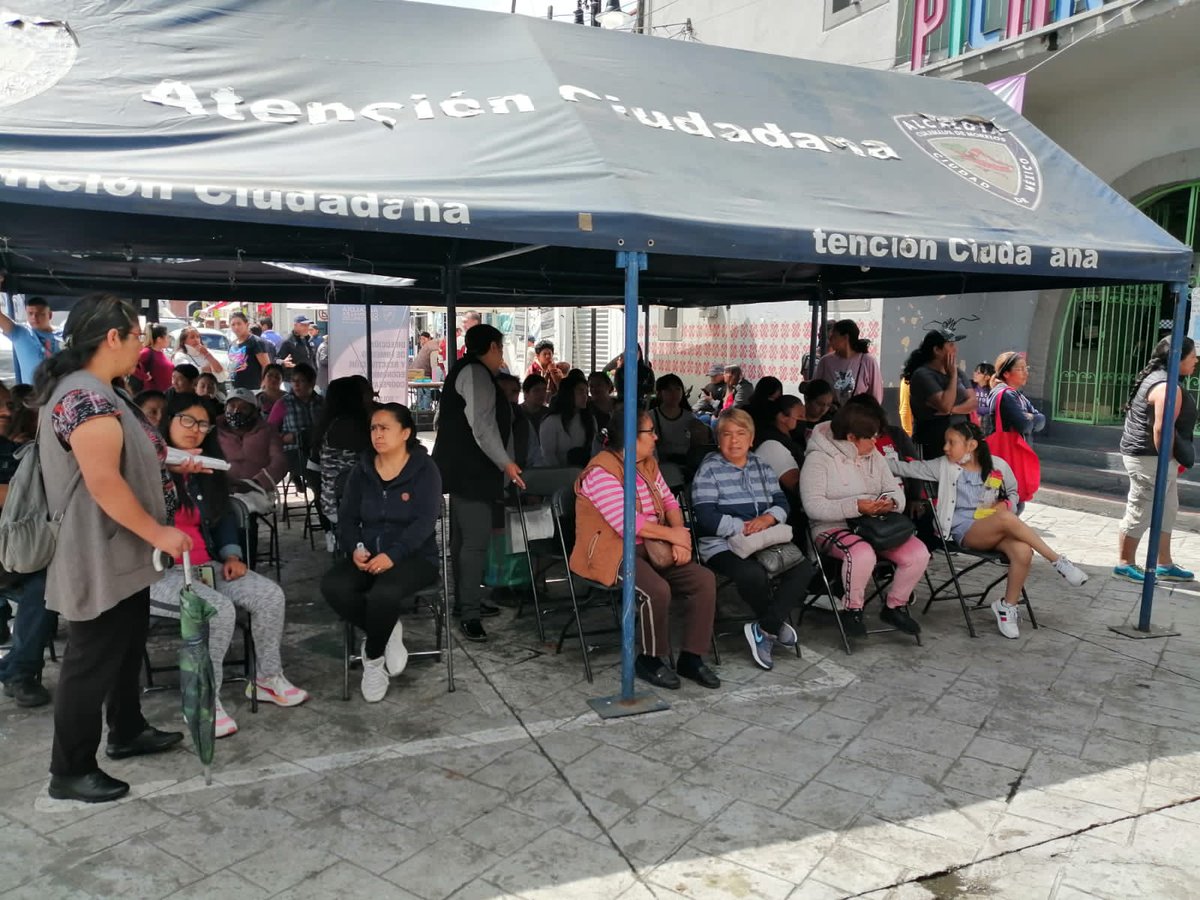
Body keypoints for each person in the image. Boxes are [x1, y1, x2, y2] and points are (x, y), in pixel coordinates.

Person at [34, 293, 188, 803]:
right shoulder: (85, 397)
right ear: (112, 338)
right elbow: (103, 482)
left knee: (125, 646)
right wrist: (160, 533)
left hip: (122, 551)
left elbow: (129, 456)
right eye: (137, 335)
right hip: (98, 549)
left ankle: (127, 730)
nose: (142, 345)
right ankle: (71, 769)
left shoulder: (107, 390)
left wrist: (170, 461)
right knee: (91, 658)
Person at [152, 393, 308, 736]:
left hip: (207, 566)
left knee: (270, 596)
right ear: (169, 421)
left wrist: (233, 555)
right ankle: (203, 700)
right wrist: (165, 469)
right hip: (159, 573)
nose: (195, 430)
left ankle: (266, 678)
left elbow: (222, 517)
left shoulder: (209, 467)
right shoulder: (148, 468)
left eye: (204, 424)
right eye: (187, 421)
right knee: (218, 611)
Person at [889, 421, 1088, 638]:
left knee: (1022, 551)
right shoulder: (943, 466)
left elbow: (1013, 493)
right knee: (1004, 519)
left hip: (995, 526)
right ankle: (1057, 561)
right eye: (945, 442)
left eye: (951, 442)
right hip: (963, 529)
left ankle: (1007, 607)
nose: (945, 447)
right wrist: (871, 457)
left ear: (971, 445)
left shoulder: (997, 466)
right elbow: (905, 468)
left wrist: (1006, 504)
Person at [574, 408, 719, 690]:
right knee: (656, 590)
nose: (656, 437)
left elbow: (669, 502)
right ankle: (650, 659)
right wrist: (676, 536)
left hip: (656, 546)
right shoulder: (601, 471)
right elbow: (628, 523)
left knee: (704, 580)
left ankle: (692, 657)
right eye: (650, 432)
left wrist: (679, 536)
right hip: (612, 552)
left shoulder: (647, 464)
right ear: (630, 437)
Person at [322, 404, 443, 701]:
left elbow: (426, 521)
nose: (377, 434)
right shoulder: (361, 471)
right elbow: (347, 518)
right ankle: (386, 629)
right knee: (333, 586)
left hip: (415, 557)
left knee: (383, 595)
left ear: (405, 433)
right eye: (374, 428)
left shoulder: (425, 470)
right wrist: (356, 548)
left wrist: (395, 554)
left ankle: (374, 660)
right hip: (369, 554)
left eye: (385, 428)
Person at [691, 409, 812, 671]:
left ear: (751, 437)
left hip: (764, 537)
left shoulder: (761, 466)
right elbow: (705, 516)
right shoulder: (709, 469)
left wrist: (767, 520)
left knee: (803, 568)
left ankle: (765, 628)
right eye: (726, 434)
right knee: (752, 574)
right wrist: (741, 528)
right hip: (722, 543)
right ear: (717, 438)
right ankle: (775, 624)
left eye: (740, 434)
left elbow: (781, 502)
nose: (734, 441)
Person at [800, 404, 930, 637]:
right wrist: (855, 506)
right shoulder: (818, 459)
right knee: (861, 554)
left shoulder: (873, 455)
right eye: (870, 438)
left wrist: (891, 503)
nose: (875, 443)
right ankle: (853, 609)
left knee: (918, 553)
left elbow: (894, 489)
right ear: (851, 438)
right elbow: (813, 507)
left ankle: (895, 606)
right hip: (831, 526)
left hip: (876, 526)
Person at [433, 323, 524, 643]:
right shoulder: (475, 374)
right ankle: (469, 612)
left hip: (463, 471)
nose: (502, 353)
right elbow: (483, 426)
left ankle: (464, 603)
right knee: (473, 543)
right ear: (492, 347)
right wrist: (507, 463)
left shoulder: (467, 371)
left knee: (461, 541)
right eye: (500, 347)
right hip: (473, 472)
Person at [1114, 336, 1197, 583]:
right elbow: (1162, 429)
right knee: (1141, 509)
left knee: (1168, 510)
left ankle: (1164, 562)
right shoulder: (1165, 387)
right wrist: (1167, 460)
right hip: (1150, 458)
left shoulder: (1164, 380)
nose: (1196, 361)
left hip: (1156, 456)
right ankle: (1124, 563)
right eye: (1192, 356)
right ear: (1177, 359)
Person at [0, 381, 54, 707]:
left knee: (48, 585)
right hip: (10, 549)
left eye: (10, 405)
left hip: (21, 546)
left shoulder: (16, 446)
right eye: (2, 406)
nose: (8, 411)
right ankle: (19, 670)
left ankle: (18, 669)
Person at [311, 376, 373, 540]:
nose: (372, 396)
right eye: (366, 392)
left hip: (341, 498)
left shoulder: (334, 423)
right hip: (344, 502)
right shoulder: (346, 427)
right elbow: (378, 454)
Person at [903, 329, 976, 460]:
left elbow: (973, 402)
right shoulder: (923, 375)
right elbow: (944, 405)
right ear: (937, 350)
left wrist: (953, 410)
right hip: (934, 441)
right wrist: (952, 376)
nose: (955, 349)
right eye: (951, 345)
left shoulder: (958, 371)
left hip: (960, 439)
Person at [217, 388, 286, 493]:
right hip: (222, 491)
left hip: (258, 491)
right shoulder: (214, 430)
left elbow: (279, 462)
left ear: (254, 411)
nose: (236, 411)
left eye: (244, 407)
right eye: (232, 406)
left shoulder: (268, 430)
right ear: (225, 408)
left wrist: (257, 483)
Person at [269, 363, 324, 484]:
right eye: (294, 381)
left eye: (301, 381)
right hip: (294, 452)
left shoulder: (322, 403)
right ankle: (320, 498)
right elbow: (269, 433)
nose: (296, 385)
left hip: (320, 450)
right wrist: (284, 438)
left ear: (312, 382)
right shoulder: (283, 403)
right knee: (315, 473)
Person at [814, 320, 883, 406]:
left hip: (858, 416)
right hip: (833, 417)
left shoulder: (867, 361)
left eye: (834, 336)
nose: (830, 340)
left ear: (845, 337)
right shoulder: (825, 362)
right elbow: (816, 392)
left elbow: (876, 397)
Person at [539, 370, 597, 467]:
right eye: (580, 391)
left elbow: (594, 450)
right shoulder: (551, 422)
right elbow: (548, 455)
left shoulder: (590, 420)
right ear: (568, 393)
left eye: (586, 392)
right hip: (557, 474)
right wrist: (564, 475)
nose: (585, 396)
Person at [0, 295, 63, 384]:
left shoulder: (63, 335)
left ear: (50, 315)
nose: (34, 317)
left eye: (40, 314)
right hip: (32, 394)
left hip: (61, 391)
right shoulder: (20, 332)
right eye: (30, 313)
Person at [751, 395, 805, 496]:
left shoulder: (791, 438)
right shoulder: (771, 445)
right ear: (782, 417)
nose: (803, 420)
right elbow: (795, 486)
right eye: (800, 417)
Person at [987, 352, 1044, 440]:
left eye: (1026, 368)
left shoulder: (1018, 395)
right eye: (1021, 369)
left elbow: (1042, 420)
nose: (1026, 373)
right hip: (1005, 450)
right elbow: (1024, 425)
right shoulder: (1005, 394)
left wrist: (1031, 417)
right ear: (1006, 373)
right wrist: (1030, 417)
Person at [650, 373, 696, 464]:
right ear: (659, 393)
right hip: (662, 465)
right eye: (668, 390)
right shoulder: (651, 417)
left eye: (677, 389)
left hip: (686, 465)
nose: (674, 393)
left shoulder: (690, 417)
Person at [499, 373, 542, 469]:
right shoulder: (483, 421)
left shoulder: (524, 424)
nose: (508, 396)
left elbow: (535, 458)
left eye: (514, 391)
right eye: (502, 391)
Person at [228, 312, 271, 391]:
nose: (236, 327)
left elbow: (266, 365)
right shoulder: (232, 344)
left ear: (246, 324)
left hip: (253, 390)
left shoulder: (255, 342)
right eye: (233, 324)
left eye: (239, 324)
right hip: (234, 390)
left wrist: (263, 386)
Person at [793, 379, 835, 453]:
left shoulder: (829, 423)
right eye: (819, 404)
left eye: (828, 405)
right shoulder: (793, 421)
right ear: (806, 399)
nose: (824, 409)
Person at [132, 324, 174, 393]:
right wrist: (144, 376)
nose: (169, 340)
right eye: (167, 337)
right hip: (154, 396)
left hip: (166, 396)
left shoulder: (162, 352)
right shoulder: (147, 352)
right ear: (159, 339)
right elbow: (129, 364)